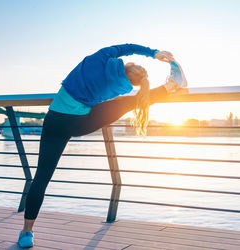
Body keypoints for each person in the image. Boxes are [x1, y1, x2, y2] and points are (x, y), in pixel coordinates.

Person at [17, 43, 187, 248]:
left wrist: (154, 53)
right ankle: (170, 87)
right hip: (79, 124)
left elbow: (126, 47)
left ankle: (27, 232)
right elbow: (102, 101)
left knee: (41, 177)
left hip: (54, 121)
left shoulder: (100, 57)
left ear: (127, 63)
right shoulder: (114, 89)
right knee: (126, 104)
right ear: (130, 82)